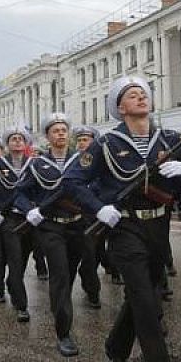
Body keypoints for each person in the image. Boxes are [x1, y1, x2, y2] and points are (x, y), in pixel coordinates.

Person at [62, 76, 181, 362]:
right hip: (124, 227)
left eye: (143, 94)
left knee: (144, 293)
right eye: (131, 96)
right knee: (148, 305)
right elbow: (73, 180)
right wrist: (99, 207)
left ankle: (115, 347)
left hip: (158, 226)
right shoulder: (106, 144)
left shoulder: (168, 139)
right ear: (120, 108)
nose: (139, 98)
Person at [15, 113, 85, 357]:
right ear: (47, 136)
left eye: (64, 129)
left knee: (70, 272)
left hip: (77, 226)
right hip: (51, 227)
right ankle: (64, 333)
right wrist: (29, 210)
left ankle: (60, 305)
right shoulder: (36, 165)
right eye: (56, 130)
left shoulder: (81, 160)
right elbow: (19, 194)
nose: (61, 134)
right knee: (60, 274)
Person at [0, 131, 33, 321]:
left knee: (24, 260)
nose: (17, 142)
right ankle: (21, 305)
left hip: (30, 219)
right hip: (9, 220)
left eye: (21, 139)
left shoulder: (34, 163)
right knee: (15, 260)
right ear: (7, 144)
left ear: (26, 143)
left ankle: (12, 282)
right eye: (13, 139)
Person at [72, 125, 104, 307]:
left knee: (101, 254)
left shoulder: (101, 162)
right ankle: (93, 292)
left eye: (86, 140)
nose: (81, 143)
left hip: (101, 215)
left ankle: (87, 274)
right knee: (90, 255)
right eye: (79, 140)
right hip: (81, 217)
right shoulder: (74, 162)